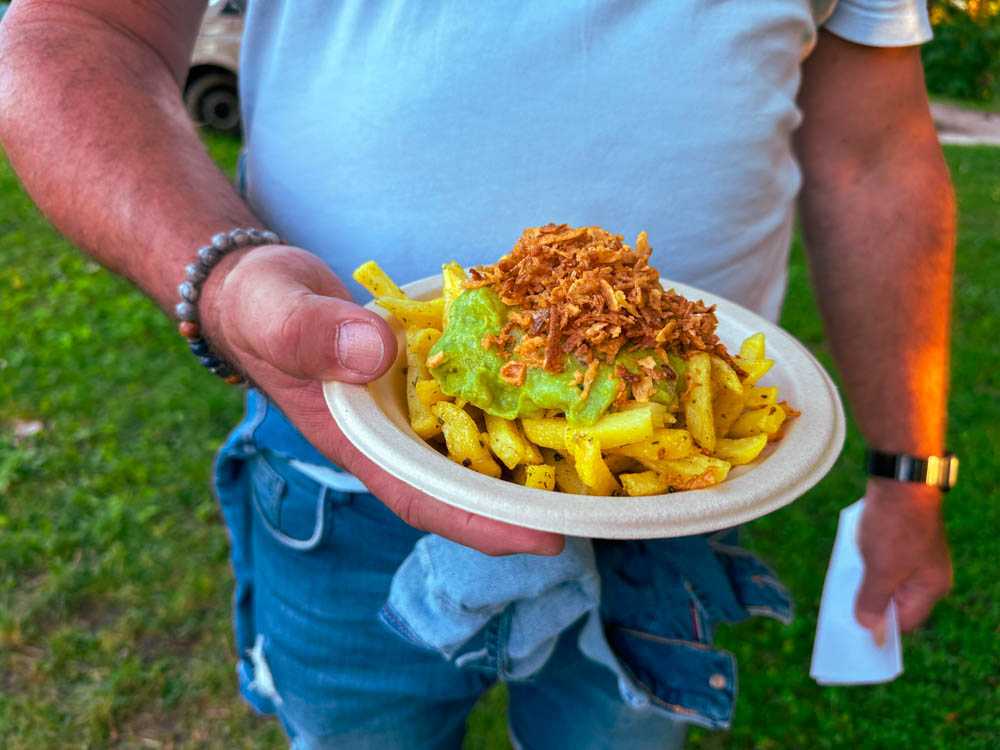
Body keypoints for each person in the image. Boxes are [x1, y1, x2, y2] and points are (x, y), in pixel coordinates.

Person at [0, 1, 956, 747]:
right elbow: (80, 30)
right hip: (339, 469)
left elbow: (875, 156)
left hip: (676, 506)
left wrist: (911, 479)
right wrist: (223, 278)